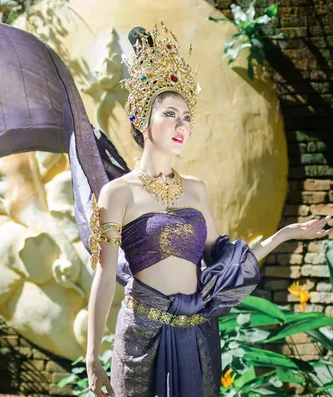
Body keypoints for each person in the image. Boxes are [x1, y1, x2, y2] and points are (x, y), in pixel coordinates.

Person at [84, 24, 333, 397]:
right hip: (141, 336)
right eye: (171, 113)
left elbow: (225, 262)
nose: (182, 124)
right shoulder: (117, 193)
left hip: (197, 335)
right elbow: (105, 277)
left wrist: (285, 236)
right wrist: (91, 355)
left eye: (187, 116)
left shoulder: (197, 190)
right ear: (142, 118)